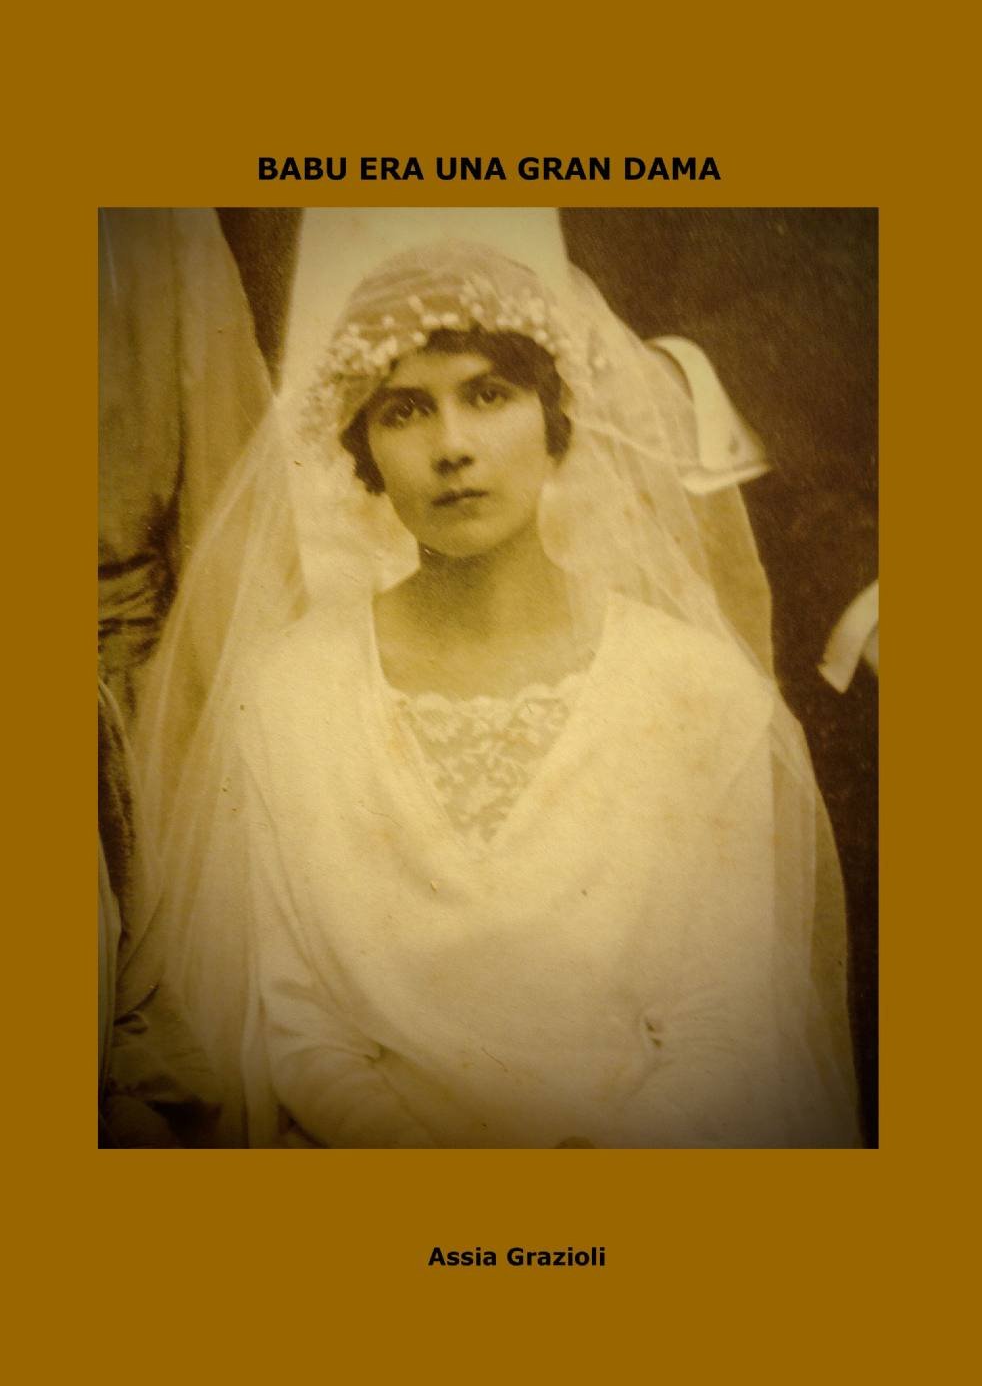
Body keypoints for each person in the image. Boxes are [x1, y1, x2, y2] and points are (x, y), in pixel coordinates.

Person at [134, 239, 859, 1149]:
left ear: (555, 421)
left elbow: (726, 1020)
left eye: (489, 395)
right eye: (405, 410)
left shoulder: (697, 690)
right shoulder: (291, 693)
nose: (452, 447)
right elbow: (302, 1025)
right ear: (363, 450)